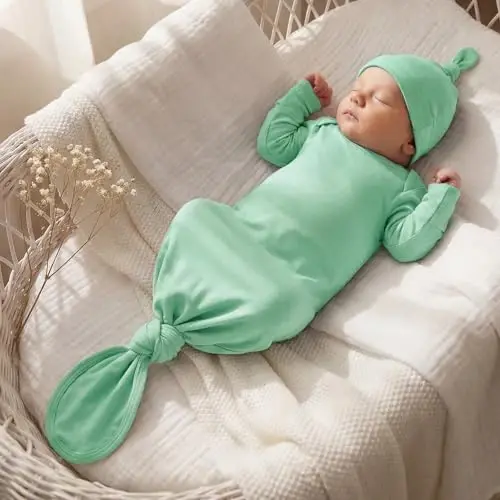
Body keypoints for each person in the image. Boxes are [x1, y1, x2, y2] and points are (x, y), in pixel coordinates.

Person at [44, 48, 479, 465]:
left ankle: (208, 320)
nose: (356, 98)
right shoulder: (323, 132)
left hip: (282, 278)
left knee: (285, 305)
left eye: (378, 99)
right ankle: (176, 310)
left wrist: (439, 198)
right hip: (236, 235)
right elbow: (274, 144)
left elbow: (405, 243)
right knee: (196, 214)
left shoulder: (403, 187)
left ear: (409, 143)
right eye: (356, 89)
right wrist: (302, 99)